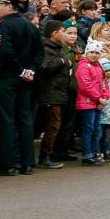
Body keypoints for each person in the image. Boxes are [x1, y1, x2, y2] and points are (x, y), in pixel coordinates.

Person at [0, 0, 44, 177]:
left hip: (8, 78)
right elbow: (39, 52)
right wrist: (30, 70)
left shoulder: (5, 25)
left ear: (10, 6)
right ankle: (27, 163)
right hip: (26, 79)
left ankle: (8, 165)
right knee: (24, 120)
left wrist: (21, 70)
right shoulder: (29, 25)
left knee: (6, 120)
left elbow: (5, 51)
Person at [34, 20, 75, 168]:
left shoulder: (57, 48)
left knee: (56, 125)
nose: (66, 34)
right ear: (55, 34)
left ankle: (52, 154)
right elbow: (43, 68)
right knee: (53, 125)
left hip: (58, 93)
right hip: (50, 94)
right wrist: (63, 61)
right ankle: (45, 157)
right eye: (64, 31)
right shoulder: (45, 49)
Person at [74, 39, 110, 167]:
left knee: (96, 129)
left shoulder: (98, 67)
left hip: (96, 103)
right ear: (87, 52)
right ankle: (87, 155)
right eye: (92, 52)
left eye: (97, 52)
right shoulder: (83, 66)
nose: (94, 55)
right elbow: (85, 86)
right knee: (88, 129)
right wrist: (99, 98)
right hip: (87, 103)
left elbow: (104, 83)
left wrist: (105, 97)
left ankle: (95, 153)